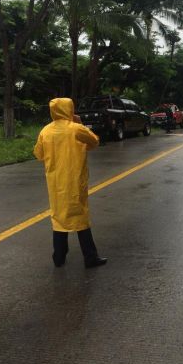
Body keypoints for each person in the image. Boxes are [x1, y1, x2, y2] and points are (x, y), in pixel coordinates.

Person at [33, 97, 108, 268]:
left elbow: (38, 154)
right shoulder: (76, 129)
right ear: (69, 110)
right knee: (80, 216)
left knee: (59, 217)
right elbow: (94, 141)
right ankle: (90, 257)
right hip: (74, 180)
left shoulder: (45, 131)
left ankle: (58, 257)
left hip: (55, 183)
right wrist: (80, 123)